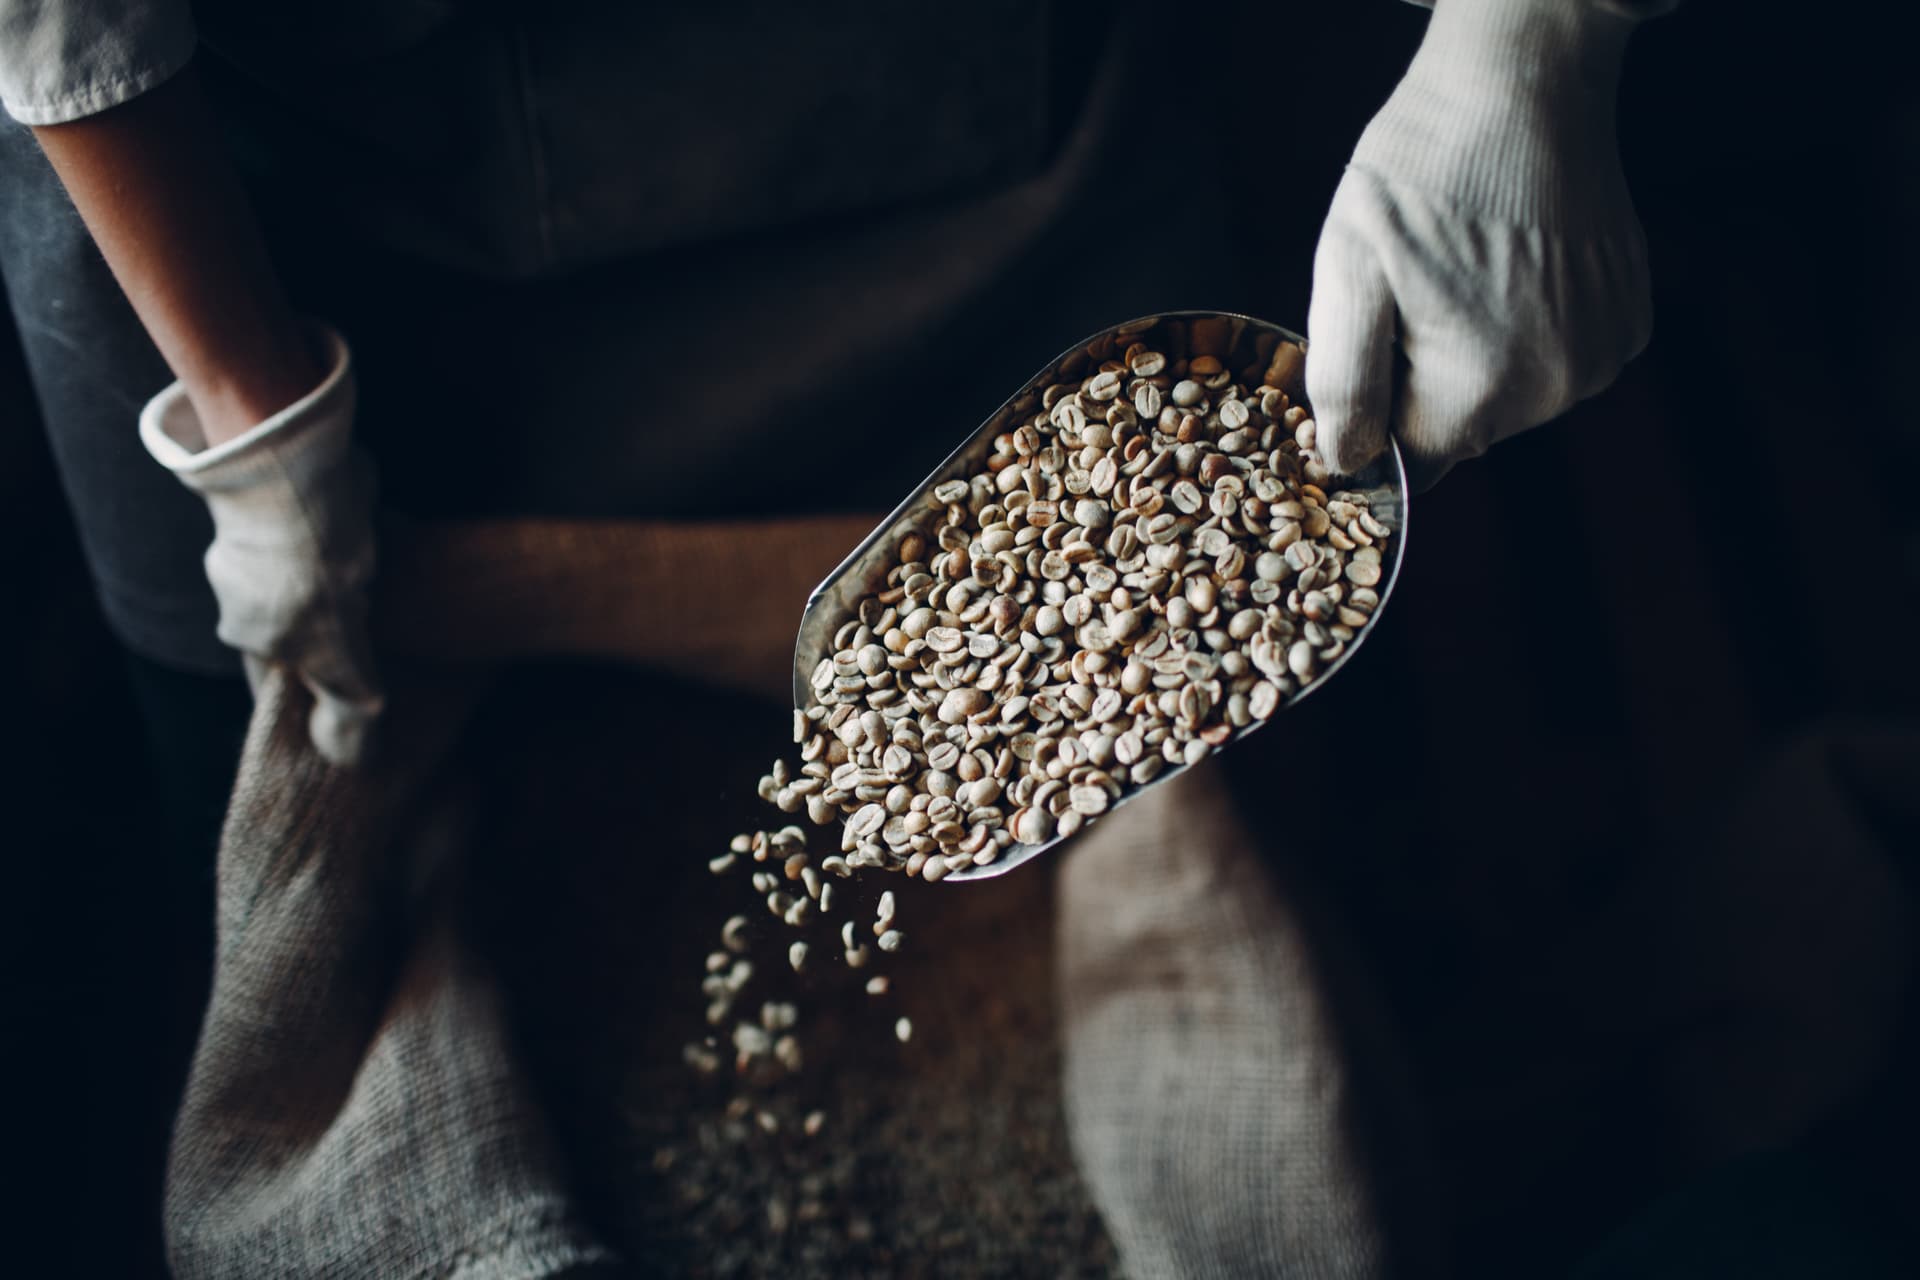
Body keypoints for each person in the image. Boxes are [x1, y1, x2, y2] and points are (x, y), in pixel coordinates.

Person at [0, 1, 1671, 1276]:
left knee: (1237, 817)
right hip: (275, 217)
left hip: (966, 124)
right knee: (274, 819)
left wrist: (1523, 41)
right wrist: (254, 427)